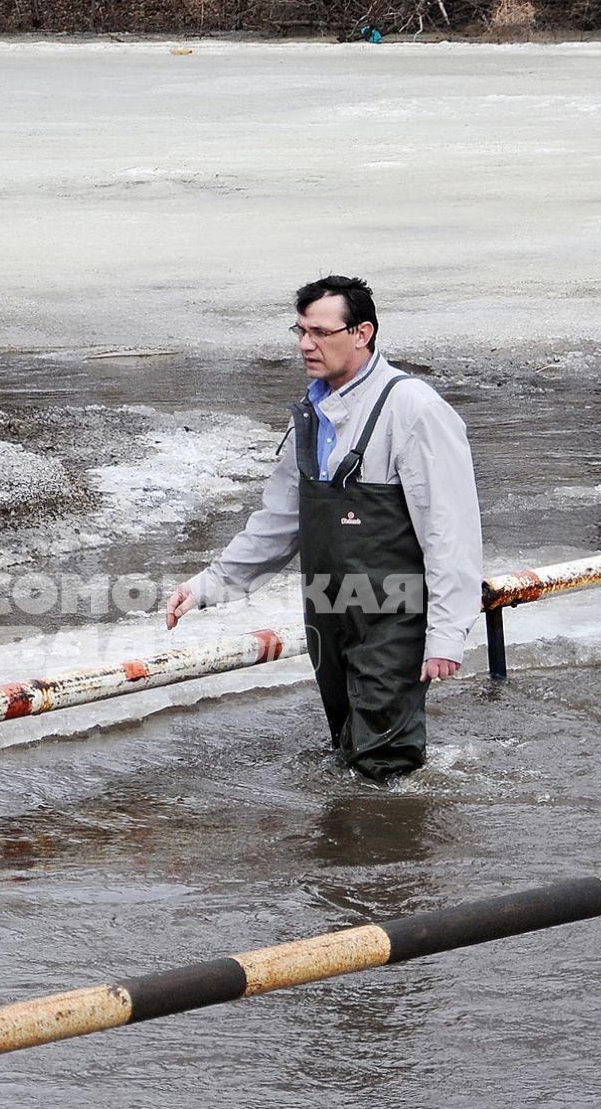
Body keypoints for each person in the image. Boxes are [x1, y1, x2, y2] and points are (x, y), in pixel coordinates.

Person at [165, 275, 483, 780]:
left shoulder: (414, 409)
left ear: (362, 333)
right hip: (328, 608)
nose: (305, 345)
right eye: (300, 331)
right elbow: (278, 521)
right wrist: (210, 585)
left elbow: (451, 529)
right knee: (347, 749)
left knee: (383, 760)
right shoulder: (310, 415)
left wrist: (446, 632)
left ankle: (395, 848)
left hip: (392, 613)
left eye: (319, 332)